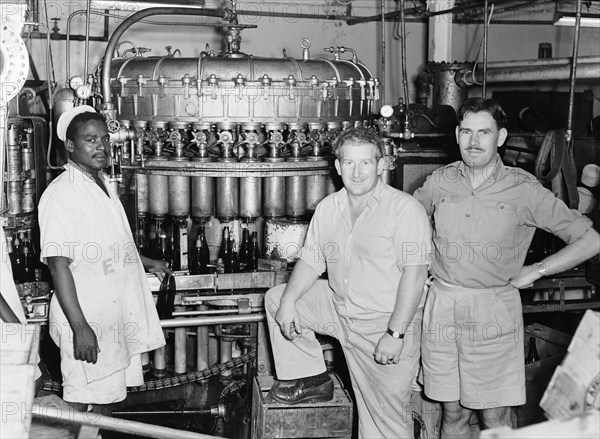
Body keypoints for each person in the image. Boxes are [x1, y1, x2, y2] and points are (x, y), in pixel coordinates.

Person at [412, 98, 600, 437]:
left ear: (500, 137)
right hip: (441, 307)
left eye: (484, 132)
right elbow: (406, 220)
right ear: (456, 135)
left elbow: (590, 240)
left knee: (494, 420)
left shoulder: (523, 188)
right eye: (466, 131)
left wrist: (537, 269)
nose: (474, 141)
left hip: (492, 312)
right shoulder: (440, 181)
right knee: (451, 414)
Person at [265, 128, 431, 438]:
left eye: (366, 163)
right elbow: (312, 260)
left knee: (383, 426)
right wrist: (289, 303)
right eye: (349, 163)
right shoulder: (329, 207)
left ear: (380, 164)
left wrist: (395, 333)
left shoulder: (405, 209)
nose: (357, 172)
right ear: (338, 166)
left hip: (382, 324)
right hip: (340, 311)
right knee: (278, 298)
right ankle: (313, 379)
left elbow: (415, 274)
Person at [38, 106, 170, 410]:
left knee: (108, 402)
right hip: (89, 319)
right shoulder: (62, 194)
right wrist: (80, 327)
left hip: (113, 317)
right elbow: (59, 265)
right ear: (70, 146)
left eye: (104, 139)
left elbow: (112, 240)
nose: (101, 147)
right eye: (90, 140)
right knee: (90, 406)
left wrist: (149, 263)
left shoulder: (101, 185)